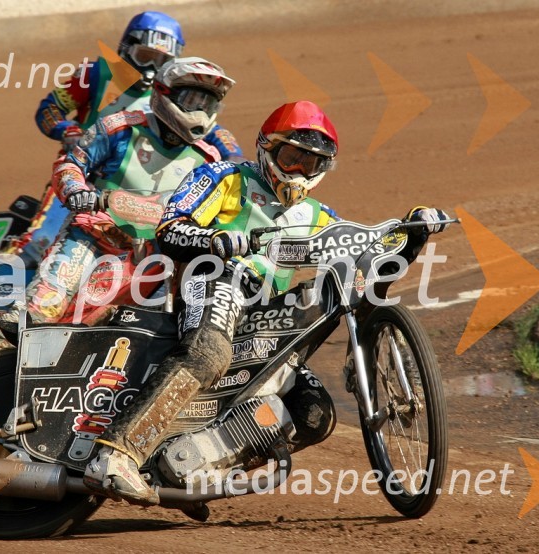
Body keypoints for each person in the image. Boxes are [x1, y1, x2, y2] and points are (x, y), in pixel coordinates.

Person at [83, 100, 450, 505]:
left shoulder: (318, 214)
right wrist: (214, 240)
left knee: (314, 413)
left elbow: (368, 270)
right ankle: (116, 455)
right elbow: (171, 228)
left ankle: (189, 471)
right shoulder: (224, 176)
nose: (298, 171)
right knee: (208, 353)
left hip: (263, 314)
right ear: (266, 147)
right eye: (291, 156)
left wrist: (412, 233)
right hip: (213, 277)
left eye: (312, 164)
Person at [26, 56, 238, 323]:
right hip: (93, 235)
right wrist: (76, 190)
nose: (198, 111)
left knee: (148, 329)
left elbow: (222, 211)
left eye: (207, 103)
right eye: (192, 100)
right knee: (41, 309)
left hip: (152, 259)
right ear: (164, 92)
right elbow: (72, 163)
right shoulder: (121, 127)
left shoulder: (208, 160)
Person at [34, 10, 242, 159]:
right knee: (47, 222)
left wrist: (233, 155)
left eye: (162, 61)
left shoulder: (175, 88)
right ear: (126, 48)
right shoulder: (94, 74)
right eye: (144, 56)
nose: (151, 67)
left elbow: (208, 127)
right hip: (83, 166)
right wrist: (69, 131)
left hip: (144, 177)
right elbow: (50, 109)